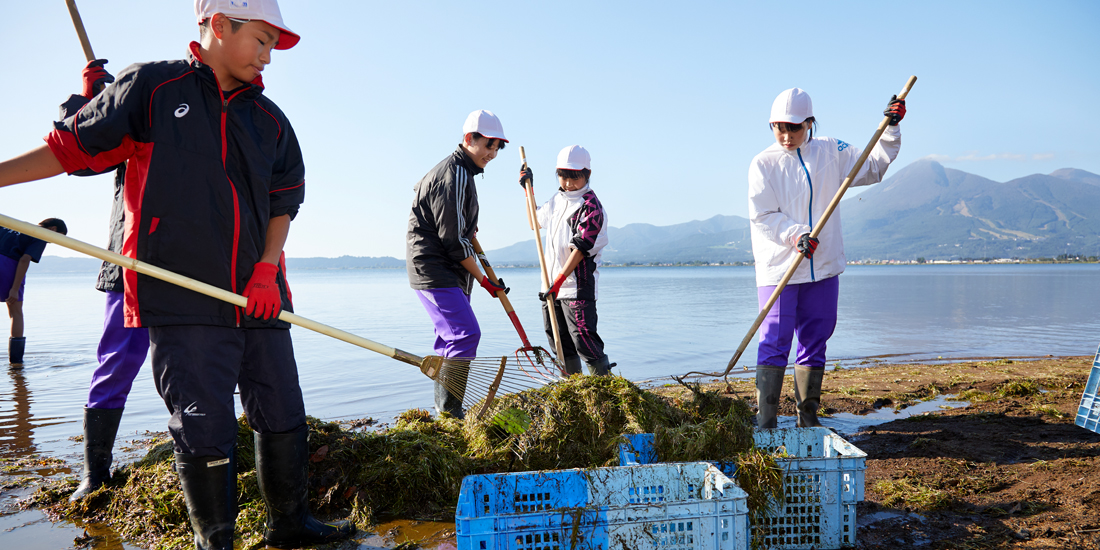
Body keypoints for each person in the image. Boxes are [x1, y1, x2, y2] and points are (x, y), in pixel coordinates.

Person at [0, 1, 354, 548]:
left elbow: (284, 202)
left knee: (282, 408)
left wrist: (265, 272)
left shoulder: (271, 121)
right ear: (218, 25)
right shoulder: (153, 88)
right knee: (204, 426)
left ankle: (290, 524)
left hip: (260, 297)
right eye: (261, 40)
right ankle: (215, 540)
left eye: (271, 46)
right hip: (181, 296)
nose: (268, 57)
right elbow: (69, 148)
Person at [749, 87, 905, 429]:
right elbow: (762, 216)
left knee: (815, 338)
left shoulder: (832, 151)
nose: (785, 136)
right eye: (778, 127)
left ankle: (808, 419)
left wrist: (891, 128)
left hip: (823, 267)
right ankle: (766, 421)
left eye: (793, 127)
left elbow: (874, 166)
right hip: (781, 268)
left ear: (809, 123)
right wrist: (795, 235)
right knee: (774, 339)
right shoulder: (763, 163)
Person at [52, 60, 153, 503]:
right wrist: (87, 102)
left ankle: (220, 446)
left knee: (208, 361)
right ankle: (95, 471)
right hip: (128, 260)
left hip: (196, 265)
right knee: (117, 360)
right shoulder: (130, 121)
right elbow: (80, 153)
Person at [406, 110, 509, 419]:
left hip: (442, 268)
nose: (491, 153)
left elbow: (458, 229)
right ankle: (451, 414)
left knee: (450, 339)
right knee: (465, 334)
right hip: (434, 267)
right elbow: (452, 240)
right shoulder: (454, 173)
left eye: (496, 148)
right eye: (488, 145)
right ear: (469, 139)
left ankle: (444, 413)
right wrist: (483, 279)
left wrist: (467, 229)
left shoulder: (458, 172)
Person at [520, 145, 612, 376]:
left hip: (575, 287)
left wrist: (560, 280)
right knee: (558, 341)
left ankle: (604, 385)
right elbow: (534, 222)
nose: (569, 183)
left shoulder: (591, 207)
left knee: (583, 339)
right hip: (550, 285)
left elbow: (580, 249)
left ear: (587, 174)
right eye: (563, 176)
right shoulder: (556, 200)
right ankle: (573, 386)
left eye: (575, 177)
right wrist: (527, 190)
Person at [2, 220, 67, 366]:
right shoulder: (40, 234)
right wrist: (14, 288)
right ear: (53, 229)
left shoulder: (13, 225)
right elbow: (25, 259)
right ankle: (16, 364)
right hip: (9, 266)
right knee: (16, 312)